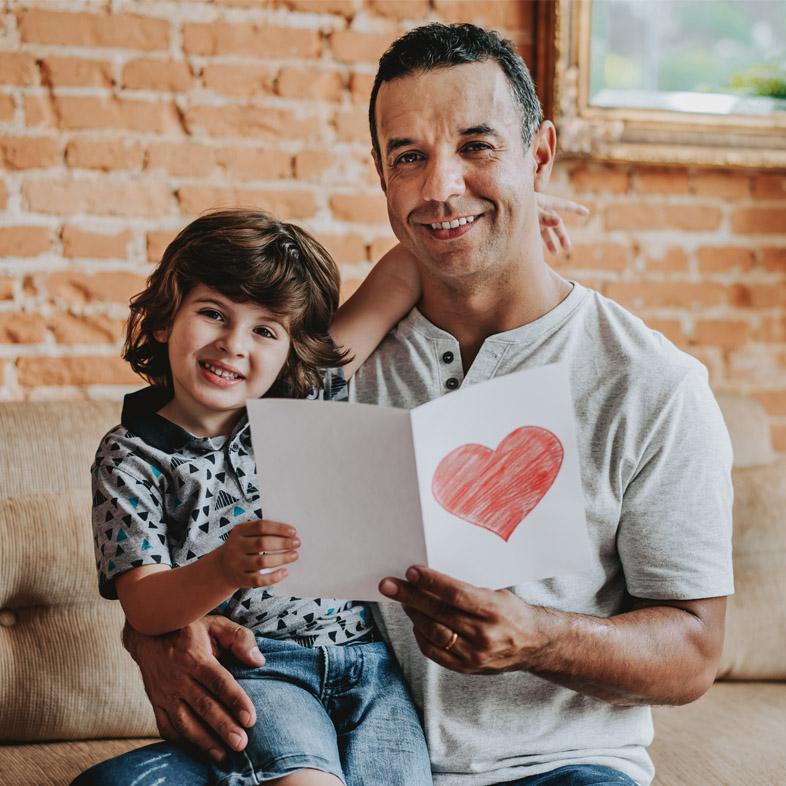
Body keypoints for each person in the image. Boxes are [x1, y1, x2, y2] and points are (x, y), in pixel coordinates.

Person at [74, 21, 732, 786]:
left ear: (539, 156)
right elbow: (171, 523)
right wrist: (158, 636)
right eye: (409, 157)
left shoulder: (649, 383)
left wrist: (537, 639)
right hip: (322, 726)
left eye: (478, 147)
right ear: (383, 178)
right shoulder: (323, 368)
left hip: (552, 766)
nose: (441, 186)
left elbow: (694, 652)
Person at [88, 208, 434, 786]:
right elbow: (145, 606)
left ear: (291, 350)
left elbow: (403, 272)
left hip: (372, 665)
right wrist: (223, 568)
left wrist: (517, 213)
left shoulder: (303, 402)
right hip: (260, 669)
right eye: (212, 314)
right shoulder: (132, 456)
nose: (233, 344)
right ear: (164, 321)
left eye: (265, 330)